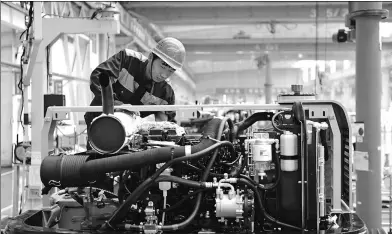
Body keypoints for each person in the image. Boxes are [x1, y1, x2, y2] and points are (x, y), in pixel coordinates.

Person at [84, 37, 186, 134]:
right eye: (163, 66)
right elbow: (98, 77)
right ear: (151, 57)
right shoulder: (127, 60)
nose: (164, 74)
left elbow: (165, 125)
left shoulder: (166, 93)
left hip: (132, 136)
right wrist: (117, 105)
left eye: (171, 71)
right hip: (99, 123)